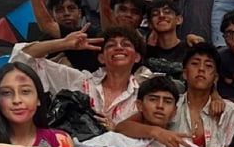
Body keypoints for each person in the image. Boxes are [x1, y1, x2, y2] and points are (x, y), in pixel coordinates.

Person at [11, 26, 150, 128]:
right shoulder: (78, 81)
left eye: (126, 44)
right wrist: (63, 44)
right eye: (111, 45)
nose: (119, 47)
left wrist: (118, 130)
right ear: (101, 58)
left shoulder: (145, 96)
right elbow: (23, 60)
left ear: (137, 57)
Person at [8, 0, 103, 72]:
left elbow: (47, 25)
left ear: (79, 13)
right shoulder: (44, 41)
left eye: (71, 8)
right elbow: (23, 57)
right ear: (52, 14)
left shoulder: (90, 34)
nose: (66, 13)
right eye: (59, 10)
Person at [173, 43, 234, 147]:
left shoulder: (229, 110)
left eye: (208, 65)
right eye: (195, 64)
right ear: (185, 74)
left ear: (215, 78)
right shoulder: (171, 107)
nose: (201, 69)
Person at [142, 0, 189, 90]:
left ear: (179, 19)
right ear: (150, 24)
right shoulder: (145, 52)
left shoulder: (190, 49)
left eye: (167, 12)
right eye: (155, 14)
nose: (162, 16)